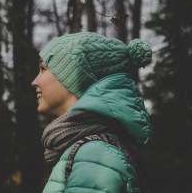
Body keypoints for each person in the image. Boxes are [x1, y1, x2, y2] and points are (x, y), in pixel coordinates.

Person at [31, 32, 152, 193]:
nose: (34, 81)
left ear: (74, 75)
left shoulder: (93, 153)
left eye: (43, 69)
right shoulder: (89, 149)